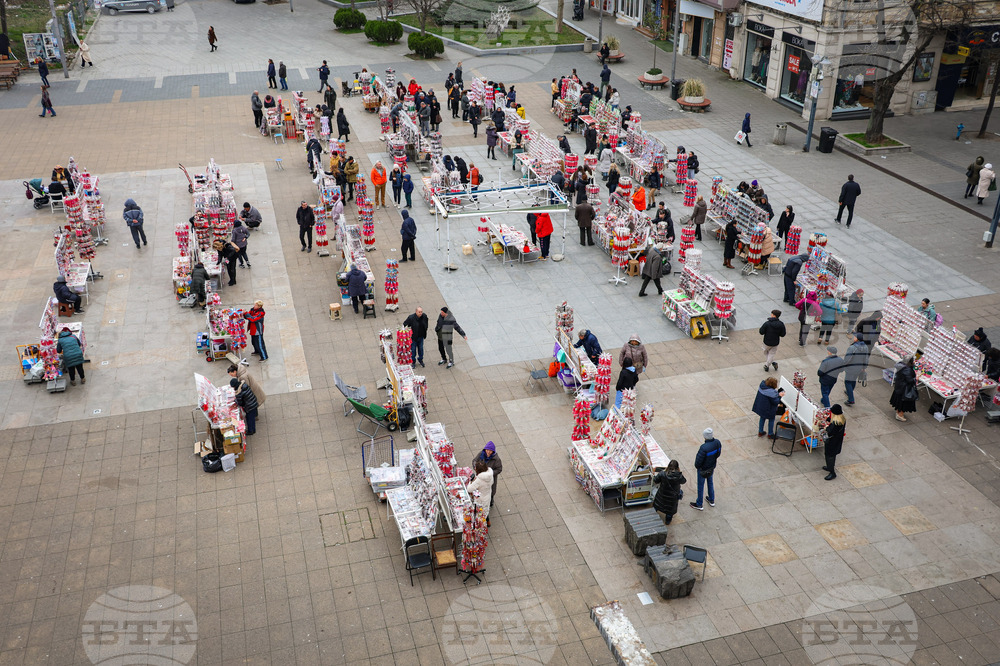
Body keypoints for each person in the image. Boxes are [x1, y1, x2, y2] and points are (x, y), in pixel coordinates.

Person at [690, 429, 721, 510]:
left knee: (700, 486)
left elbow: (698, 461)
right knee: (710, 482)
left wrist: (698, 467)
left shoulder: (703, 448)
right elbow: (718, 454)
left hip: (703, 469)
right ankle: (711, 499)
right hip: (711, 467)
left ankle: (699, 503)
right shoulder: (717, 442)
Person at [652, 460, 686, 525]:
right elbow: (684, 481)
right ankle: (668, 521)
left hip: (662, 495)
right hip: (672, 498)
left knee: (657, 505)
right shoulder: (679, 476)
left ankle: (653, 514)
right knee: (670, 510)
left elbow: (655, 480)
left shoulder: (662, 474)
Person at [842, 332, 869, 406]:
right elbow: (866, 359)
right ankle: (849, 391)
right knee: (853, 380)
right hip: (859, 368)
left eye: (854, 337)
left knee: (847, 382)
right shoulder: (865, 347)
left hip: (851, 368)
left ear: (857, 339)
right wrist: (864, 368)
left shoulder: (852, 348)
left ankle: (851, 399)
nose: (853, 338)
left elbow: (848, 359)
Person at [473, 441, 502, 508]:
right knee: (480, 489)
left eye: (490, 451)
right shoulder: (481, 454)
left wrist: (490, 473)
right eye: (487, 450)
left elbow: (499, 469)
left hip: (490, 479)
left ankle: (491, 501)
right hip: (480, 476)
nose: (488, 452)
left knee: (490, 491)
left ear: (493, 451)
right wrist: (475, 466)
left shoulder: (496, 459)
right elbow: (474, 460)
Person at [890, 356, 918, 421]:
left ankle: (898, 412)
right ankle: (900, 415)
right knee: (904, 403)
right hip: (905, 389)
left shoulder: (901, 366)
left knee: (899, 401)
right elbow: (910, 380)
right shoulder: (907, 370)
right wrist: (915, 379)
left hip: (899, 387)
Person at [467, 460, 494, 526]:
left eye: (475, 467)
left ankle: (482, 526)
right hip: (487, 496)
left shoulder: (479, 480)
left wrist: (471, 481)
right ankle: (488, 522)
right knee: (485, 511)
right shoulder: (490, 475)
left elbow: (469, 489)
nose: (475, 468)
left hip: (480, 499)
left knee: (480, 514)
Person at [822, 405, 846, 480]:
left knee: (829, 456)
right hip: (837, 441)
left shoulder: (836, 423)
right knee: (832, 455)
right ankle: (829, 467)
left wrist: (826, 427)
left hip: (832, 442)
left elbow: (830, 431)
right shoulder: (841, 419)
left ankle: (832, 472)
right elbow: (831, 420)